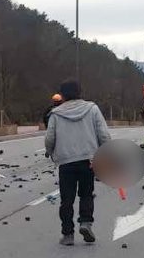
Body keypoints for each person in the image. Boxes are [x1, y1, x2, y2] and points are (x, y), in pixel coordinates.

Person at [44, 80, 111, 246]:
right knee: (86, 194)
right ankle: (86, 223)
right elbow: (103, 134)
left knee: (67, 199)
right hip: (89, 160)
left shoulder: (56, 114)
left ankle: (67, 234)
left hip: (66, 162)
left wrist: (51, 152)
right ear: (80, 92)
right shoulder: (92, 109)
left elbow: (50, 137)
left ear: (63, 95)